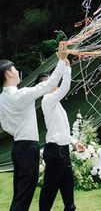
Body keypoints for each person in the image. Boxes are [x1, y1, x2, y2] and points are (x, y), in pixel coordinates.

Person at [0, 42, 68, 211]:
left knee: (19, 193)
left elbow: (5, 124)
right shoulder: (21, 95)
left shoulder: (2, 98)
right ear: (8, 73)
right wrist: (62, 60)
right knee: (24, 196)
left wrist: (18, 131)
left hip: (18, 147)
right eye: (15, 69)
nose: (17, 72)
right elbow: (49, 83)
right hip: (28, 148)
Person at [36, 59, 85, 211]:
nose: (55, 84)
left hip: (63, 151)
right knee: (49, 191)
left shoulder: (56, 102)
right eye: (50, 82)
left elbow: (62, 130)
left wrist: (74, 142)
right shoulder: (47, 100)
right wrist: (67, 68)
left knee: (68, 189)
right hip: (54, 152)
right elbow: (65, 87)